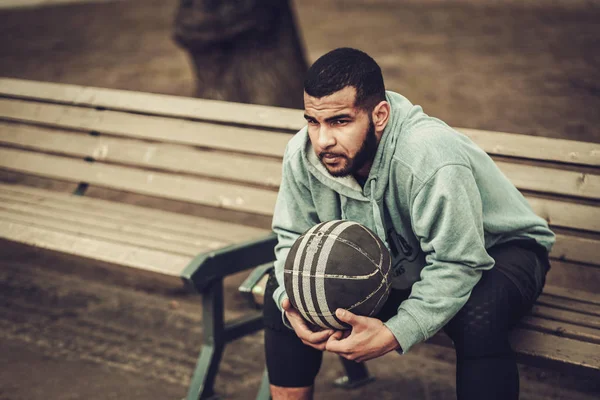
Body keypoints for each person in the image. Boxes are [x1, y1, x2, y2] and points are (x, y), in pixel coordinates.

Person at [264, 47, 555, 400]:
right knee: (289, 289)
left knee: (478, 313)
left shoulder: (429, 157)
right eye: (313, 121)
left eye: (340, 121)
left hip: (501, 252)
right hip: (401, 262)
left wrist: (395, 332)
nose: (323, 139)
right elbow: (292, 238)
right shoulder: (303, 154)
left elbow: (459, 261)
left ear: (380, 115)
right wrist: (293, 307)